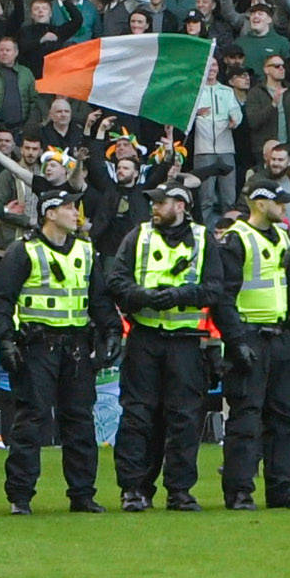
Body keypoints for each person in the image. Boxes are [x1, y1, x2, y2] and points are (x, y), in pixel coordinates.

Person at [0, 189, 110, 513]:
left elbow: (99, 299)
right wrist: (5, 339)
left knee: (80, 422)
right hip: (38, 346)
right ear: (50, 213)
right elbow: (0, 299)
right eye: (69, 207)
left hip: (75, 347)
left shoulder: (86, 251)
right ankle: (21, 496)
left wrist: (110, 332)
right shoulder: (24, 251)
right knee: (31, 421)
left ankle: (83, 494)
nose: (76, 213)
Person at [110, 179, 214, 513]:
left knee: (184, 418)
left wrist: (182, 295)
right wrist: (140, 296)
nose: (154, 208)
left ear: (181, 206)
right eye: (153, 203)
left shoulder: (203, 239)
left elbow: (217, 288)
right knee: (137, 416)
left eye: (161, 203)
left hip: (185, 342)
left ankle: (179, 490)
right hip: (145, 337)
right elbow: (116, 280)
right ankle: (134, 488)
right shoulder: (137, 236)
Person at [205, 181, 290, 509]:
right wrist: (236, 341)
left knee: (284, 418)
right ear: (260, 203)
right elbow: (223, 297)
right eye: (278, 202)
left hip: (278, 337)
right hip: (250, 336)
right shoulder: (236, 240)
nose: (284, 207)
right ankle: (239, 491)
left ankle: (281, 488)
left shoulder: (281, 238)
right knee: (246, 419)